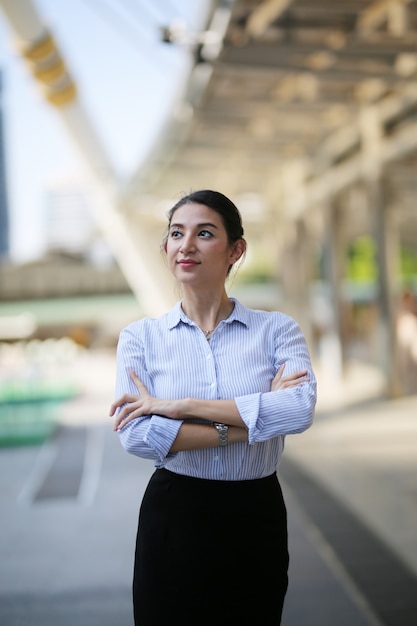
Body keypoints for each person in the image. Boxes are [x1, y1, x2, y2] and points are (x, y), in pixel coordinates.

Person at [110, 189, 317, 626]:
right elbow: (137, 434)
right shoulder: (140, 339)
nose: (186, 245)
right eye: (176, 234)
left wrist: (176, 406)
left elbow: (298, 410)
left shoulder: (277, 330)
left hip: (254, 512)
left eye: (204, 233)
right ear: (165, 248)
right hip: (174, 513)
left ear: (235, 249)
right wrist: (250, 423)